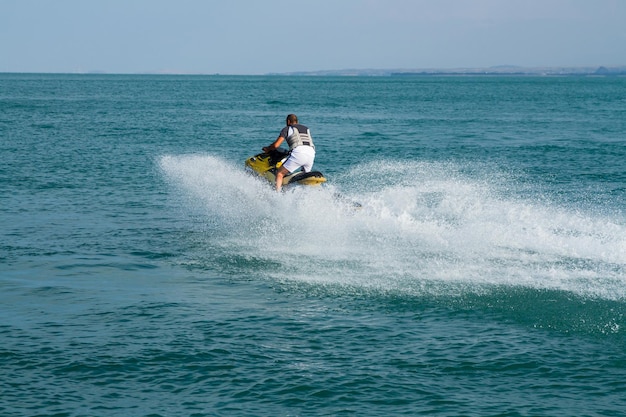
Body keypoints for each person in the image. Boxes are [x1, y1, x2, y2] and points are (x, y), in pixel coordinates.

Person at [263, 114, 316, 191]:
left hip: (299, 153)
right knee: (304, 179)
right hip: (311, 154)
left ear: (288, 121)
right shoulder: (306, 129)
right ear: (297, 121)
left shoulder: (287, 128)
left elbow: (276, 145)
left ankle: (276, 195)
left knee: (280, 173)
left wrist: (268, 149)